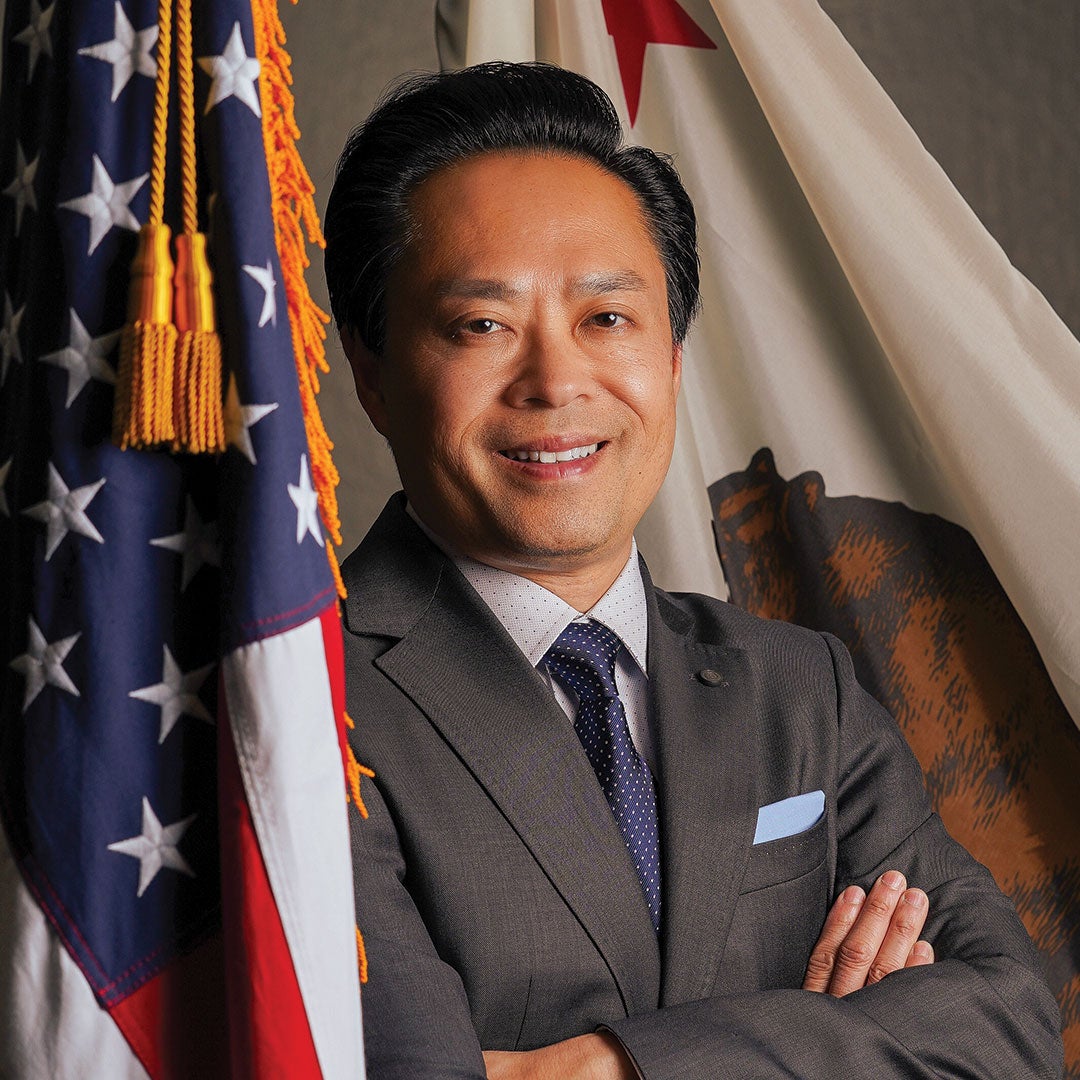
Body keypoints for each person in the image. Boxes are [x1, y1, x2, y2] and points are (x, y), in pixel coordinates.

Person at [322, 62, 1062, 1079]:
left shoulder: (804, 691)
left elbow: (1012, 1023)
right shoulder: (304, 703)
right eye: (481, 325)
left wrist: (602, 1067)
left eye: (607, 319)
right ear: (370, 370)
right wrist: (824, 1043)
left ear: (671, 354)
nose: (556, 382)